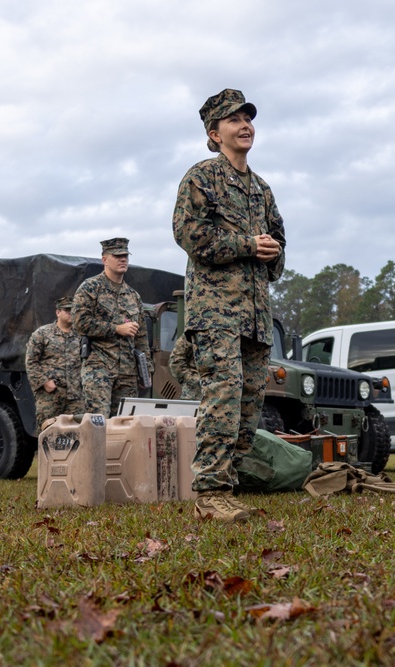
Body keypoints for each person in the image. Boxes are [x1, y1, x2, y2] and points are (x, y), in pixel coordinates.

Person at [173, 89, 286, 522]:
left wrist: (273, 253)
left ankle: (229, 485)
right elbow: (189, 235)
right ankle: (209, 492)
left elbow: (278, 239)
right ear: (213, 133)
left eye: (248, 118)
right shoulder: (201, 178)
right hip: (216, 313)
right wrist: (245, 244)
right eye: (233, 120)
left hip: (256, 316)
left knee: (248, 407)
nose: (245, 126)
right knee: (221, 399)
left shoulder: (261, 189)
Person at [71, 238, 151, 418]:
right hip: (99, 368)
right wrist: (116, 328)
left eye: (125, 256)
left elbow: (142, 336)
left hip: (128, 372)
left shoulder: (133, 296)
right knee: (98, 422)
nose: (123, 259)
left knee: (125, 424)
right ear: (104, 260)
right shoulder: (90, 288)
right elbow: (80, 323)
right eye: (117, 256)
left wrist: (146, 370)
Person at [25, 295, 84, 428]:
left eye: (73, 310)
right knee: (48, 433)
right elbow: (31, 362)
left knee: (75, 434)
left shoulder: (81, 336)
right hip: (51, 395)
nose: (71, 313)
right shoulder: (42, 334)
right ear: (58, 312)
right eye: (67, 310)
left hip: (75, 396)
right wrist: (44, 382)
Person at [170, 334, 201, 401]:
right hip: (195, 393)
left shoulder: (224, 334)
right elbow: (176, 361)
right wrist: (191, 379)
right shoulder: (192, 334)